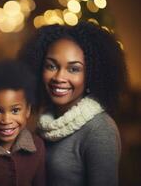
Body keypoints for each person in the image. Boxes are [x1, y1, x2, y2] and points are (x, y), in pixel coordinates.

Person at [19, 22, 128, 186]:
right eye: (51, 66)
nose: (59, 77)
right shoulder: (44, 122)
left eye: (74, 69)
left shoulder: (100, 129)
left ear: (91, 74)